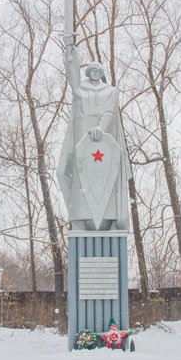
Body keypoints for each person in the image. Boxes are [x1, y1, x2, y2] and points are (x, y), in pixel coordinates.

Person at [57, 38, 131, 231]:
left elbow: (110, 112)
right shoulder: (80, 90)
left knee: (105, 184)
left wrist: (101, 128)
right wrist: (70, 52)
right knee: (67, 175)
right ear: (88, 72)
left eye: (98, 70)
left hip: (103, 143)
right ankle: (79, 216)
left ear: (102, 73)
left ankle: (111, 218)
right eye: (92, 70)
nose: (95, 73)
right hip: (84, 142)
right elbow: (72, 75)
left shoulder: (111, 91)